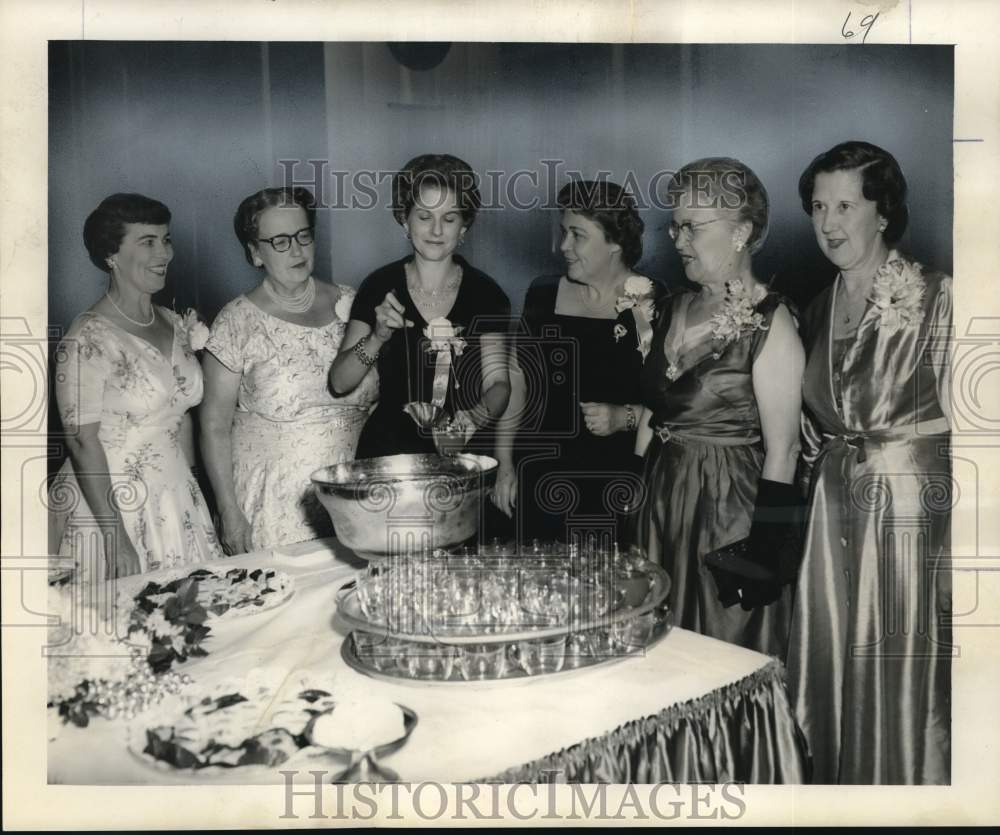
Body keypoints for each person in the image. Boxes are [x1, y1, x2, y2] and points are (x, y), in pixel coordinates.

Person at [786, 141, 952, 784]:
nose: (829, 222)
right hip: (833, 517)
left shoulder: (938, 296)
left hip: (911, 521)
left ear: (882, 213)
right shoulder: (815, 308)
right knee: (832, 667)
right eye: (818, 206)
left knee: (903, 673)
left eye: (846, 205)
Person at [633, 158, 804, 657]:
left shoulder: (773, 322)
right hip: (662, 501)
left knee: (719, 650)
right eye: (675, 225)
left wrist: (765, 555)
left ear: (741, 232)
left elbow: (785, 450)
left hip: (726, 510)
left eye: (692, 227)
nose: (678, 240)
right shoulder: (671, 308)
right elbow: (652, 413)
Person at [50, 193, 222, 581]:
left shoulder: (173, 322)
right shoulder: (86, 339)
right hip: (113, 506)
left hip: (176, 495)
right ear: (111, 254)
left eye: (166, 239)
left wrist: (197, 488)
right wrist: (116, 539)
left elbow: (179, 417)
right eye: (147, 242)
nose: (164, 253)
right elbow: (81, 442)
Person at [200, 187, 377, 554]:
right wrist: (229, 511)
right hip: (275, 509)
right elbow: (213, 426)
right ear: (254, 253)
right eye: (280, 241)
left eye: (303, 235)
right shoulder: (237, 322)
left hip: (358, 502)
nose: (296, 250)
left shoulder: (355, 302)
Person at [493, 180, 661, 545]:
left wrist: (624, 417)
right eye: (562, 233)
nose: (563, 247)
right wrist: (504, 463)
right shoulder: (542, 292)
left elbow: (669, 401)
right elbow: (517, 380)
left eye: (577, 235)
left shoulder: (656, 302)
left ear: (615, 243)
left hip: (616, 478)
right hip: (537, 473)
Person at [329, 153, 510, 463]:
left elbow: (498, 383)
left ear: (464, 226)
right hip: (389, 453)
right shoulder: (378, 285)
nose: (437, 230)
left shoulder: (486, 293)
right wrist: (377, 337)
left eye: (450, 218)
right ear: (404, 219)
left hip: (462, 453)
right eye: (425, 217)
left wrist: (474, 419)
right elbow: (339, 382)